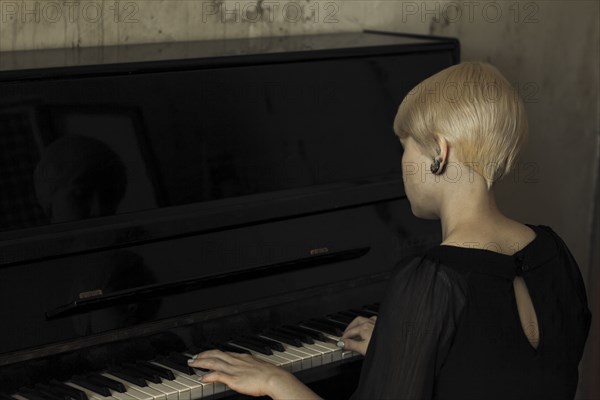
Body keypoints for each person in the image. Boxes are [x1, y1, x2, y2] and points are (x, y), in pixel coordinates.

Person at [187, 62, 592, 399]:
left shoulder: (432, 279)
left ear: (439, 152)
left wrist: (277, 380)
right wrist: (405, 342)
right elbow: (497, 364)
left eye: (405, 147)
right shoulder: (555, 253)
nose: (401, 165)